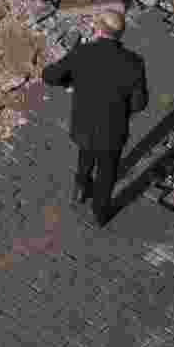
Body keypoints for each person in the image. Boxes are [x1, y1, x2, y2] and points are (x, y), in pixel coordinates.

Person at [42, 11, 148, 227]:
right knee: (107, 171)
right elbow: (139, 104)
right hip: (113, 130)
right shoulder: (134, 62)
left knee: (86, 154)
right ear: (121, 33)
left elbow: (50, 76)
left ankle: (81, 190)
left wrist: (70, 83)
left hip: (83, 127)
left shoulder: (82, 52)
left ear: (98, 29)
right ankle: (100, 213)